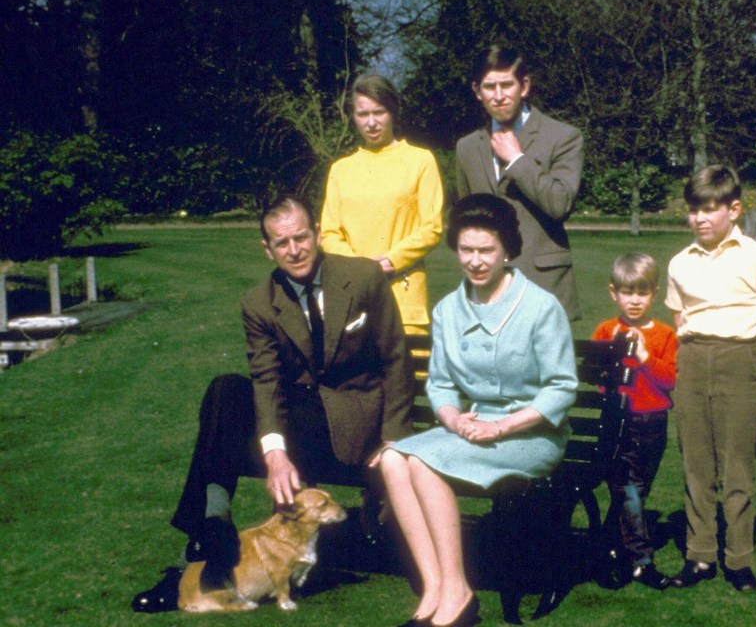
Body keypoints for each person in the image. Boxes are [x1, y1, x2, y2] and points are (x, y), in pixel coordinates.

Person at [131, 195, 414, 613]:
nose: (295, 249)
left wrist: (395, 439)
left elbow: (396, 359)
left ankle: (194, 557)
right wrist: (275, 453)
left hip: (356, 426)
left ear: (317, 234)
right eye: (282, 243)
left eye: (301, 237)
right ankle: (213, 524)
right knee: (226, 390)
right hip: (301, 425)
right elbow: (265, 380)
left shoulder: (364, 277)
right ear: (268, 249)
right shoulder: (259, 301)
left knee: (224, 427)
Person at [379, 194, 578, 627]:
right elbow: (441, 383)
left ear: (508, 249)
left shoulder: (541, 307)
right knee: (395, 459)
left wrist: (504, 425)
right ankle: (434, 588)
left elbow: (561, 388)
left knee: (425, 464)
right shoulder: (449, 309)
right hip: (470, 428)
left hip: (531, 435)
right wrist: (451, 418)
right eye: (466, 250)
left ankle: (460, 594)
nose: (475, 261)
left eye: (486, 250)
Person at [663, 166, 756, 592]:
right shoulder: (680, 262)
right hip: (694, 360)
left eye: (709, 209)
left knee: (737, 468)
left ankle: (738, 559)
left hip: (743, 361)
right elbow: (680, 317)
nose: (699, 218)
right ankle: (699, 557)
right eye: (692, 210)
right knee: (697, 466)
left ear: (734, 210)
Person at [455, 45, 583, 321]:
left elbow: (560, 203)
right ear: (477, 91)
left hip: (543, 285)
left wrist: (516, 160)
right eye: (490, 87)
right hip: (485, 290)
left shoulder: (563, 136)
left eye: (506, 85)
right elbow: (466, 221)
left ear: (524, 86)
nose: (499, 96)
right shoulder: (466, 147)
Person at [321, 73, 445, 335]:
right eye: (362, 114)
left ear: (393, 112)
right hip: (353, 297)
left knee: (411, 375)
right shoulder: (340, 170)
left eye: (379, 112)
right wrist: (362, 270)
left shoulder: (420, 161)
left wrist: (390, 261)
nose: (371, 122)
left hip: (405, 295)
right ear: (353, 116)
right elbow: (330, 233)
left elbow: (431, 228)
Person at [592, 252, 678, 590]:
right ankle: (642, 560)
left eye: (642, 293)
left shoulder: (665, 335)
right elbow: (598, 382)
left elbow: (670, 380)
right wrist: (613, 359)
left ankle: (609, 546)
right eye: (627, 292)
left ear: (654, 294)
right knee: (629, 491)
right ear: (614, 292)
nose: (634, 301)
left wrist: (644, 358)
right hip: (618, 424)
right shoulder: (606, 330)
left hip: (652, 424)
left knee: (635, 493)